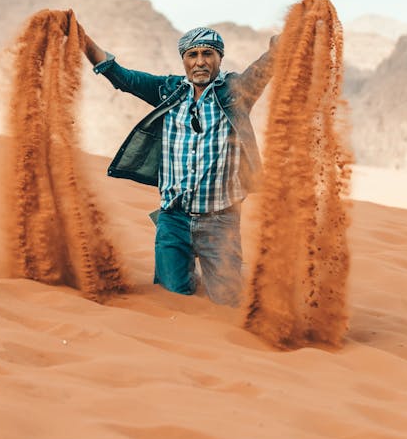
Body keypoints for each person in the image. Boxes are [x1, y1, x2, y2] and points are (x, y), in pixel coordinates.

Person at [84, 27, 279, 306]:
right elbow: (121, 77)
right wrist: (81, 40)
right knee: (171, 300)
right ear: (184, 60)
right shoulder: (168, 90)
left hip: (220, 222)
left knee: (227, 304)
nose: (200, 61)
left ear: (219, 58)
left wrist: (279, 48)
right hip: (173, 220)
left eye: (207, 54)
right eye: (192, 55)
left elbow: (264, 69)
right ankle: (187, 277)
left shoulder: (236, 91)